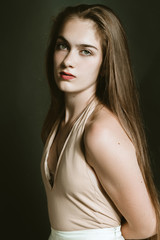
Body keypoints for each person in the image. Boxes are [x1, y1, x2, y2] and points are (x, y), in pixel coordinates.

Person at [41, 4, 160, 240]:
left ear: (105, 65)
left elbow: (147, 226)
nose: (68, 61)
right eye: (63, 46)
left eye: (86, 51)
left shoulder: (99, 132)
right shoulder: (58, 123)